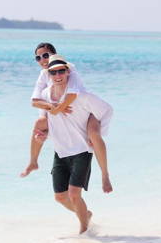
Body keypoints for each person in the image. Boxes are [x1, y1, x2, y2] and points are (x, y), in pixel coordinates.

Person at [22, 54, 114, 234]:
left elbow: (107, 109)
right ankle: (85, 215)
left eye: (61, 71)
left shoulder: (82, 96)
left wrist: (95, 131)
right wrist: (43, 135)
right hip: (60, 151)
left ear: (68, 72)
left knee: (74, 194)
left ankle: (84, 232)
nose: (58, 76)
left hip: (81, 150)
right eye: (53, 72)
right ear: (48, 75)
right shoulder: (46, 95)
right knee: (60, 197)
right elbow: (48, 120)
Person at [20, 43, 111, 187]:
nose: (43, 60)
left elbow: (72, 95)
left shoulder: (68, 68)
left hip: (87, 110)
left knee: (93, 134)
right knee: (39, 124)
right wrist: (53, 109)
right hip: (63, 112)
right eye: (38, 58)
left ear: (54, 55)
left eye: (46, 55)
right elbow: (35, 101)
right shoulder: (44, 74)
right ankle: (33, 162)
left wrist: (58, 108)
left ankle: (105, 175)